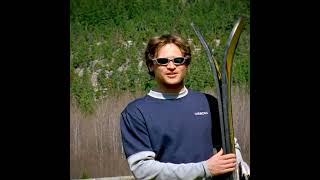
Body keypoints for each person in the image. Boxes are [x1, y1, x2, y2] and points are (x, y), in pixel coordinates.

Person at [120, 34, 250, 180]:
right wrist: (204, 169)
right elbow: (143, 170)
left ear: (186, 64)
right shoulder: (136, 112)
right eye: (163, 61)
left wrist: (239, 164)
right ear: (151, 65)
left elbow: (230, 143)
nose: (171, 66)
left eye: (178, 60)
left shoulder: (208, 102)